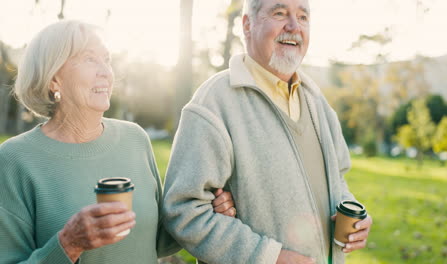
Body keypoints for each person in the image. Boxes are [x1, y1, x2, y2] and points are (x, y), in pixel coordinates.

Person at [0, 20, 236, 263]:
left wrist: (207, 210)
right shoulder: (15, 160)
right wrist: (68, 245)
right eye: (89, 59)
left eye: (107, 59)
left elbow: (157, 240)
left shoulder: (134, 139)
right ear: (53, 79)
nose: (105, 71)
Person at [162, 0, 373, 263]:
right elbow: (183, 210)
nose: (294, 26)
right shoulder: (214, 103)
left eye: (303, 17)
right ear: (247, 25)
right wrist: (268, 257)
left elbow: (338, 179)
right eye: (280, 13)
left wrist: (354, 213)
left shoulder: (317, 102)